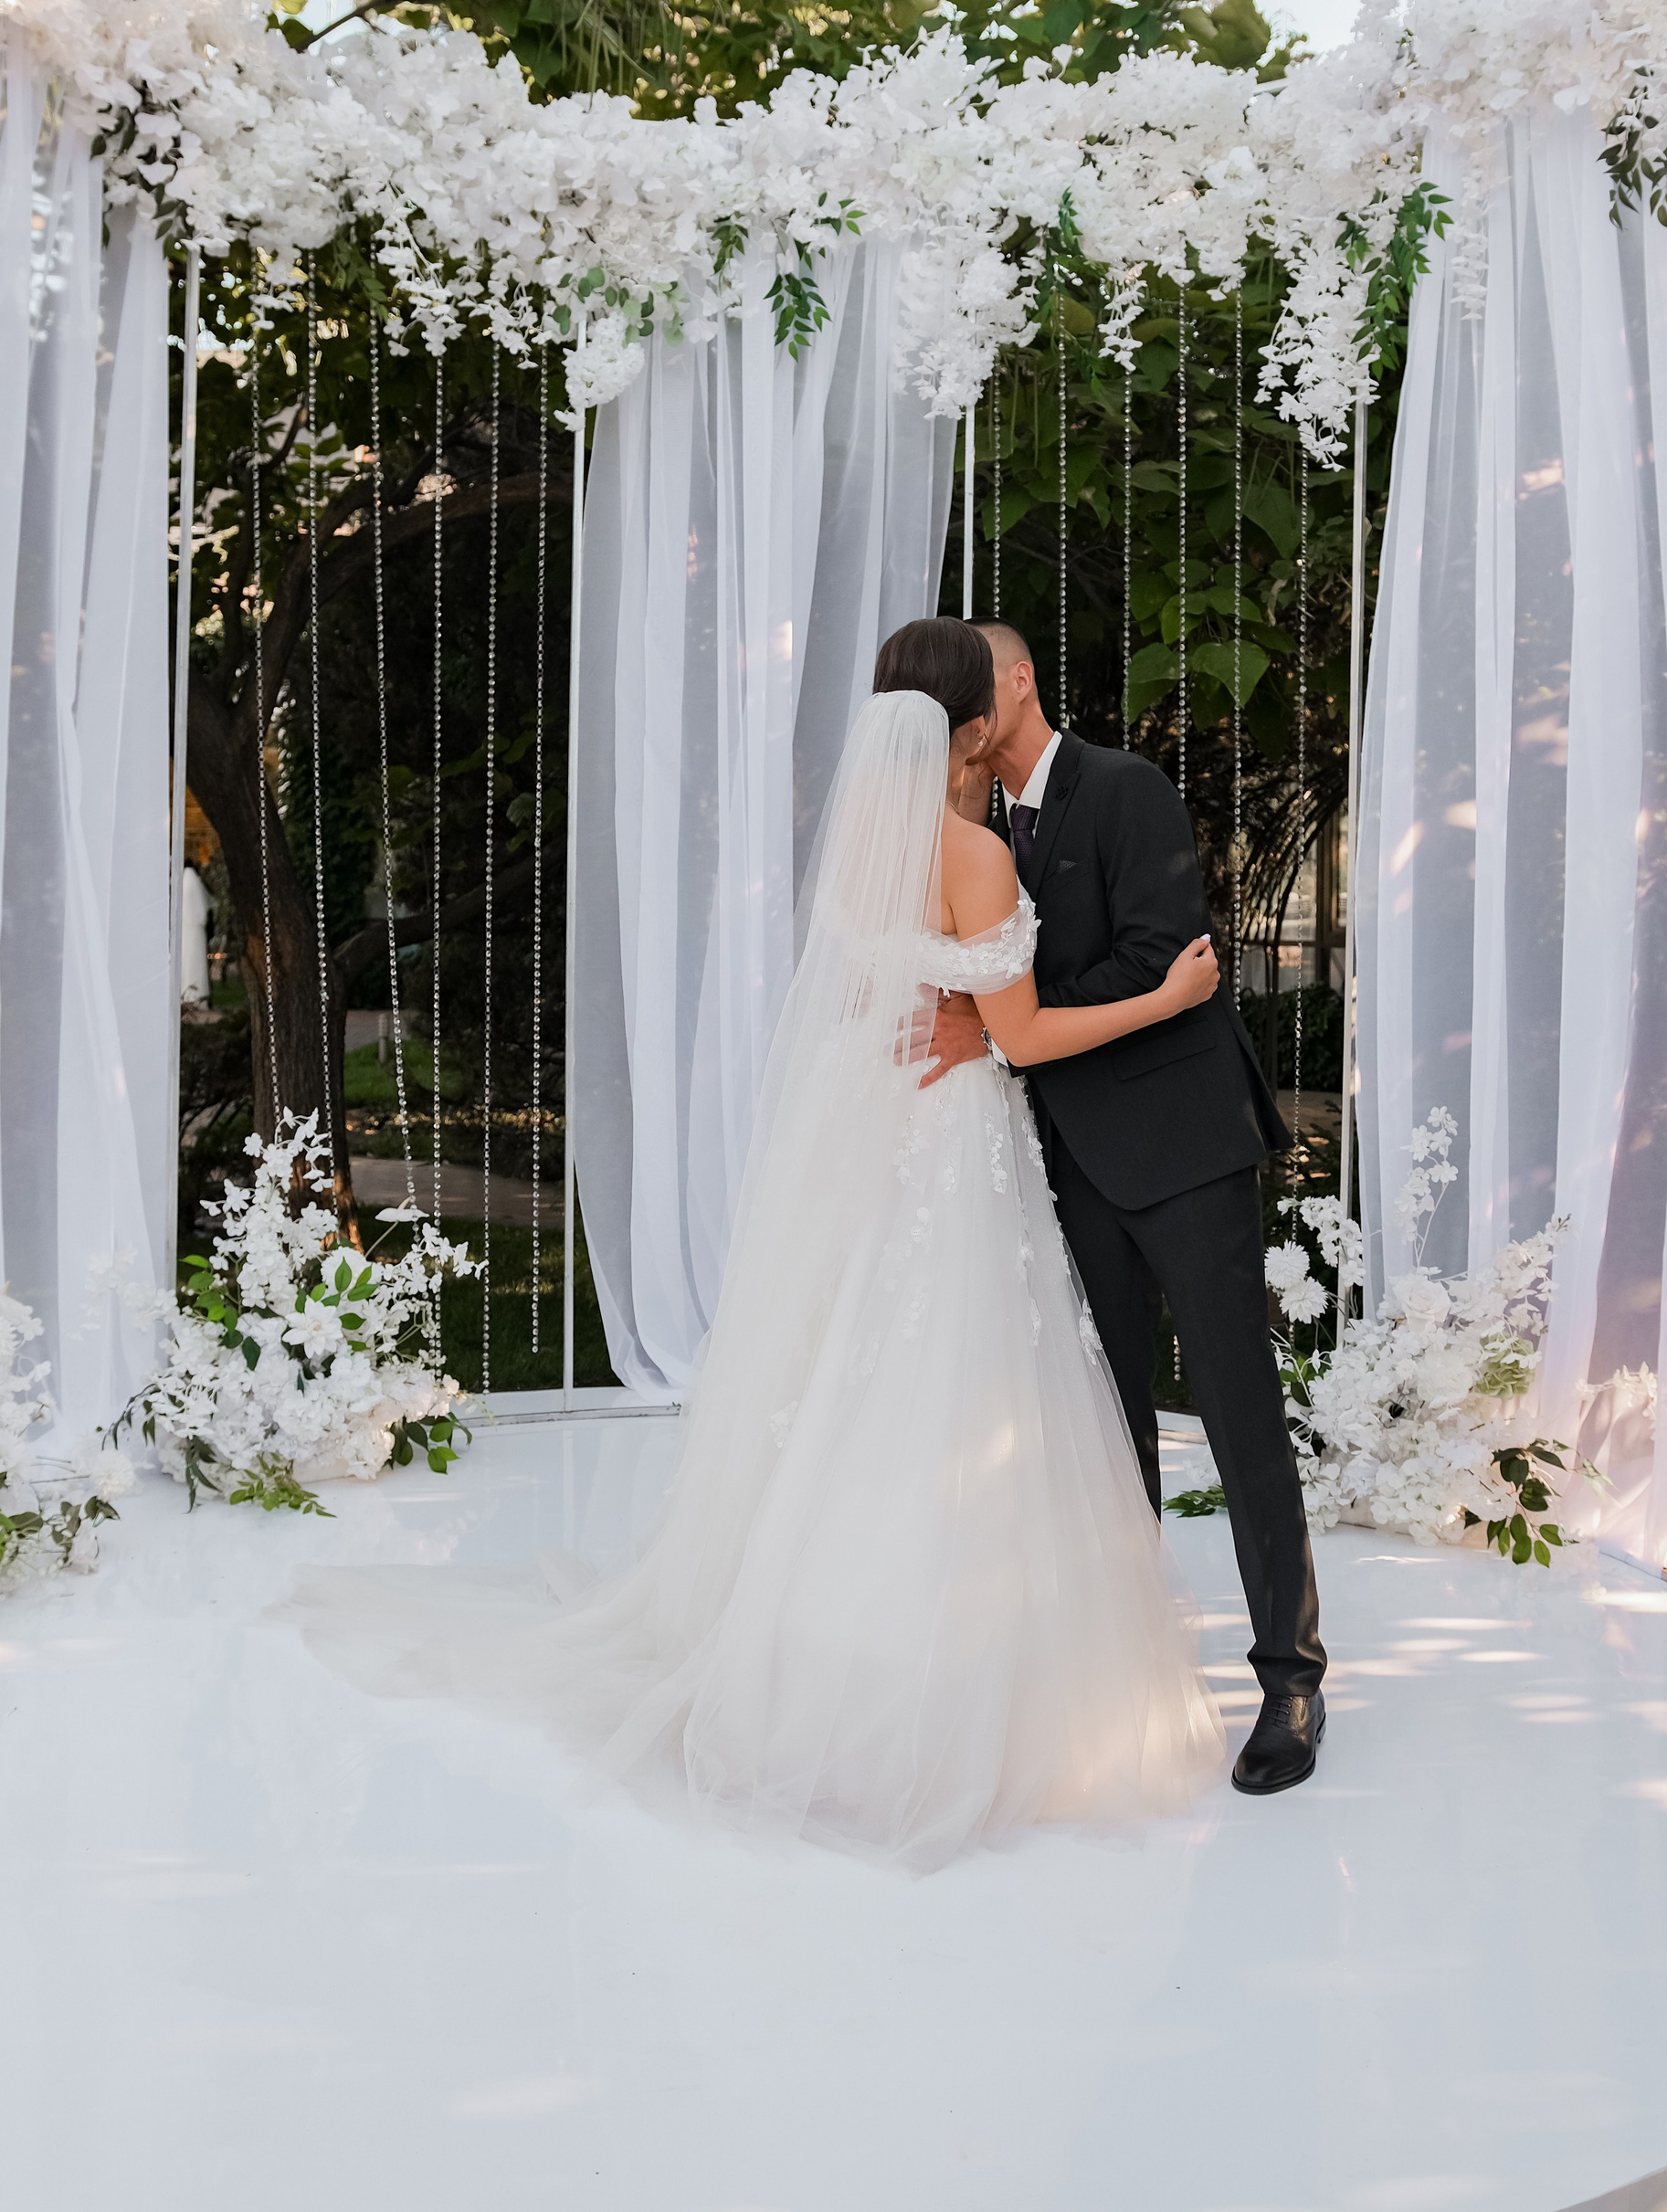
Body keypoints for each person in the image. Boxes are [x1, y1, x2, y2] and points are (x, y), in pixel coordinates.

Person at [288, 620, 1225, 1866]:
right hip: (950, 1134)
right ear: (968, 733)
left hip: (870, 1124)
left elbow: (866, 999)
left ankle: (807, 1650)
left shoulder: (861, 849)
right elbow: (1027, 1034)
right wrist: (1167, 996)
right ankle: (941, 1689)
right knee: (953, 1372)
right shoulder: (976, 855)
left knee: (847, 1373)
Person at [923, 621, 1326, 1797]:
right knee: (1107, 1427)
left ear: (1018, 680)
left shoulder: (1125, 786)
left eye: (975, 679)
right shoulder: (970, 826)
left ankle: (1291, 1679)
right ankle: (1132, 1673)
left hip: (1183, 1145)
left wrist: (1002, 1024)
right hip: (1068, 1156)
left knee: (1239, 1413)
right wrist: (993, 1021)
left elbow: (1163, 956)